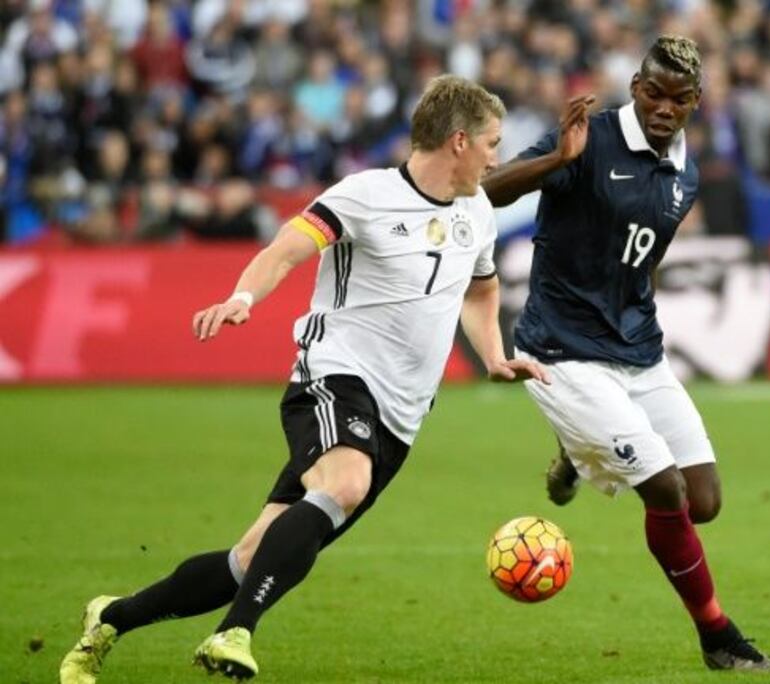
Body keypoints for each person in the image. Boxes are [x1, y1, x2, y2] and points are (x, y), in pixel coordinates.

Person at [59, 75, 547, 683]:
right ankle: (235, 634)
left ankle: (112, 618)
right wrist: (244, 296)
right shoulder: (366, 195)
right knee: (344, 483)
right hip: (335, 373)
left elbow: (481, 289)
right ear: (458, 141)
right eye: (493, 143)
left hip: (400, 416)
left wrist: (495, 354)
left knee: (248, 558)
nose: (497, 157)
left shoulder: (475, 211)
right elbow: (288, 248)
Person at [481, 35, 770, 673]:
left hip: (638, 353)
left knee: (704, 501)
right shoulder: (588, 137)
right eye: (654, 93)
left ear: (696, 102)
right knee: (666, 491)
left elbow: (641, 263)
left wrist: (635, 321)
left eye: (679, 99)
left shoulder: (686, 173)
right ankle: (718, 636)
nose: (664, 108)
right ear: (635, 87)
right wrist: (554, 161)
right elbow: (489, 190)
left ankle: (577, 450)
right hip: (560, 351)